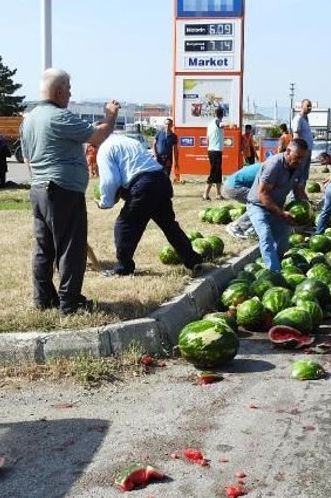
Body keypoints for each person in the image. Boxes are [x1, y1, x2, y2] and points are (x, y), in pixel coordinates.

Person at [20, 68, 120, 315]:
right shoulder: (59, 117)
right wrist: (111, 115)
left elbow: (27, 157)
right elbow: (98, 136)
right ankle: (70, 302)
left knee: (44, 247)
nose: (71, 93)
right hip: (63, 190)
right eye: (68, 88)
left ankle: (43, 298)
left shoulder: (30, 119)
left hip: (40, 189)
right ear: (57, 91)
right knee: (71, 248)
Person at [95, 133, 203, 277]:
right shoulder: (127, 140)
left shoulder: (105, 148)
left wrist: (105, 202)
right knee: (169, 225)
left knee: (125, 225)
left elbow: (110, 180)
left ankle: (123, 268)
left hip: (143, 184)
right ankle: (193, 260)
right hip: (160, 178)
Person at [246, 139, 310, 272]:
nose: (300, 161)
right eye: (297, 157)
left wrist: (308, 208)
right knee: (265, 234)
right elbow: (263, 194)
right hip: (258, 206)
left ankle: (279, 263)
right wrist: (281, 213)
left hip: (277, 207)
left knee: (282, 243)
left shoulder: (299, 166)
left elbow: (299, 190)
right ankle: (274, 272)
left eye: (302, 158)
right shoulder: (273, 165)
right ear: (288, 152)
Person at [222, 162, 262, 239]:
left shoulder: (270, 165)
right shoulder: (271, 170)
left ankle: (251, 229)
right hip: (234, 187)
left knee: (262, 203)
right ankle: (236, 226)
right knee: (261, 204)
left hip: (231, 184)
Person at [291, 99, 314, 199]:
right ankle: (294, 198)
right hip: (302, 153)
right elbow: (296, 136)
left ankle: (301, 196)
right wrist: (299, 153)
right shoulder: (298, 119)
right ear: (301, 106)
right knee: (298, 176)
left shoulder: (305, 118)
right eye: (307, 106)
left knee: (304, 176)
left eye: (310, 106)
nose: (309, 108)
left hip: (307, 152)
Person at [203, 107, 225, 200]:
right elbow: (221, 125)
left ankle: (219, 194)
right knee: (214, 172)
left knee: (218, 172)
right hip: (215, 151)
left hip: (213, 151)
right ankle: (205, 194)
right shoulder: (217, 122)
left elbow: (207, 139)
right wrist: (232, 125)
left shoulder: (209, 124)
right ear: (222, 115)